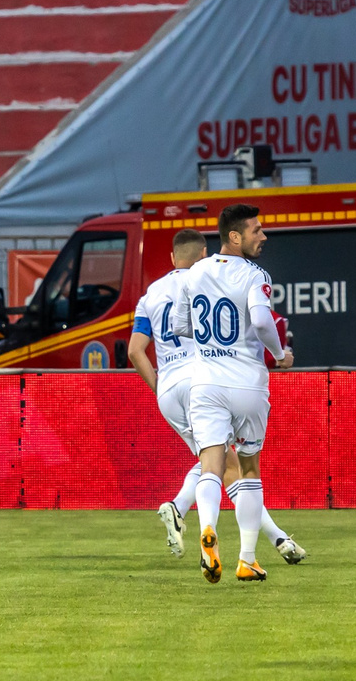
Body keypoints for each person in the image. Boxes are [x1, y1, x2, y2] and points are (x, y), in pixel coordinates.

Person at [132, 227, 307, 568]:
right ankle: (257, 542)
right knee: (233, 466)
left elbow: (136, 350)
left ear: (172, 258)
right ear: (203, 255)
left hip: (169, 385)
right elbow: (250, 322)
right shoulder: (208, 278)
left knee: (216, 463)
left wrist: (160, 388)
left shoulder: (151, 294)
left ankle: (276, 538)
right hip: (206, 377)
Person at [177, 204, 292, 582]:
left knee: (211, 464)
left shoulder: (195, 272)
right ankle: (246, 559)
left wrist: (213, 343)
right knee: (248, 468)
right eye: (257, 230)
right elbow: (260, 320)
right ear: (235, 237)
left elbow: (182, 325)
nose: (264, 236)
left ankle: (208, 529)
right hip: (246, 382)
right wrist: (279, 354)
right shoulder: (255, 275)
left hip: (206, 381)